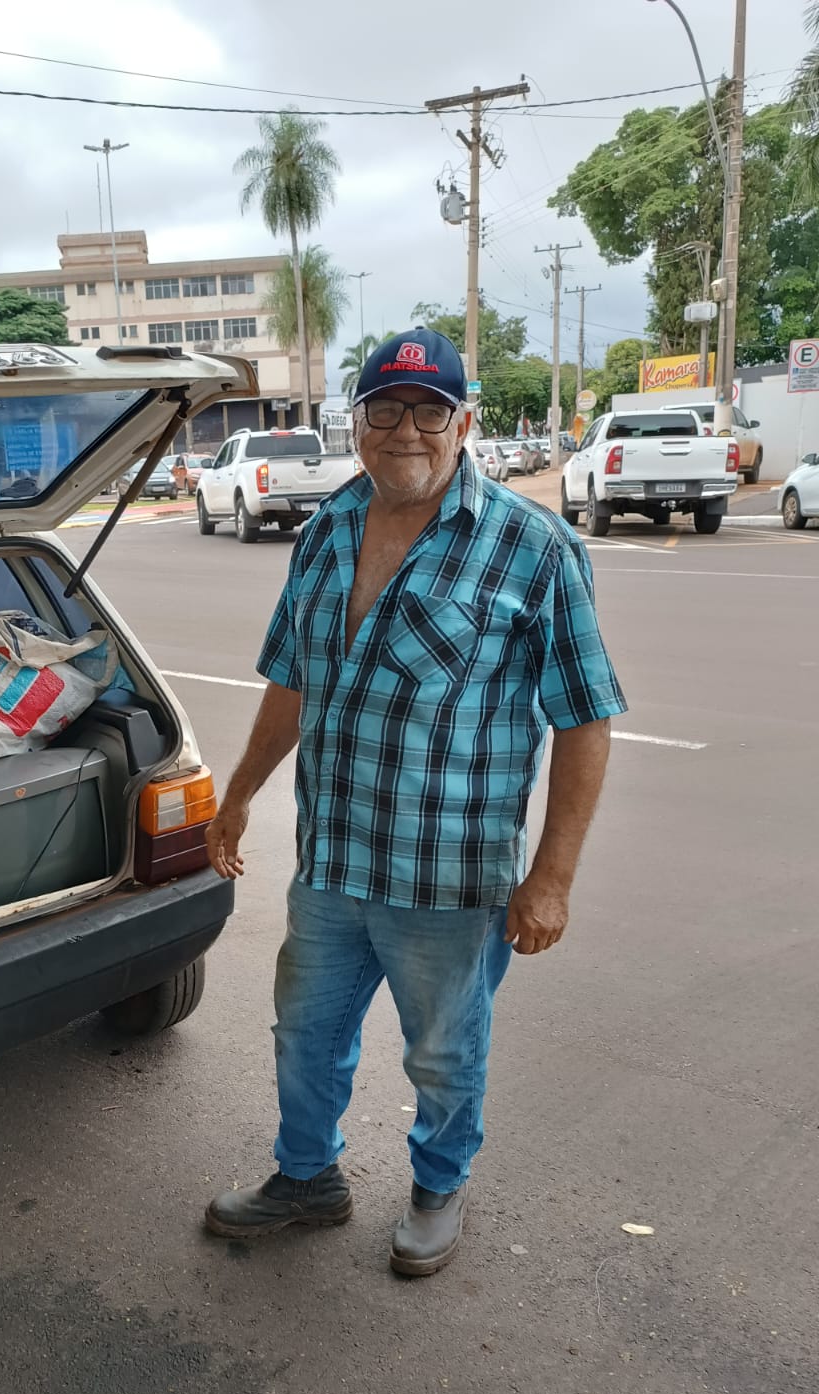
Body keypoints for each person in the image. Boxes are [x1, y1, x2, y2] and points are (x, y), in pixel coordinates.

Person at [203, 328, 627, 1276]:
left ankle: (439, 1186)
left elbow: (586, 718)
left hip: (449, 879)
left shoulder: (532, 547)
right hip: (333, 861)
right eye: (386, 410)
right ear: (356, 424)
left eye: (430, 411)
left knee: (443, 1052)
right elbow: (293, 679)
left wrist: (552, 879)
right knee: (304, 1034)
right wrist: (238, 795)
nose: (407, 431)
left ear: (463, 423)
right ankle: (307, 1178)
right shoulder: (325, 531)